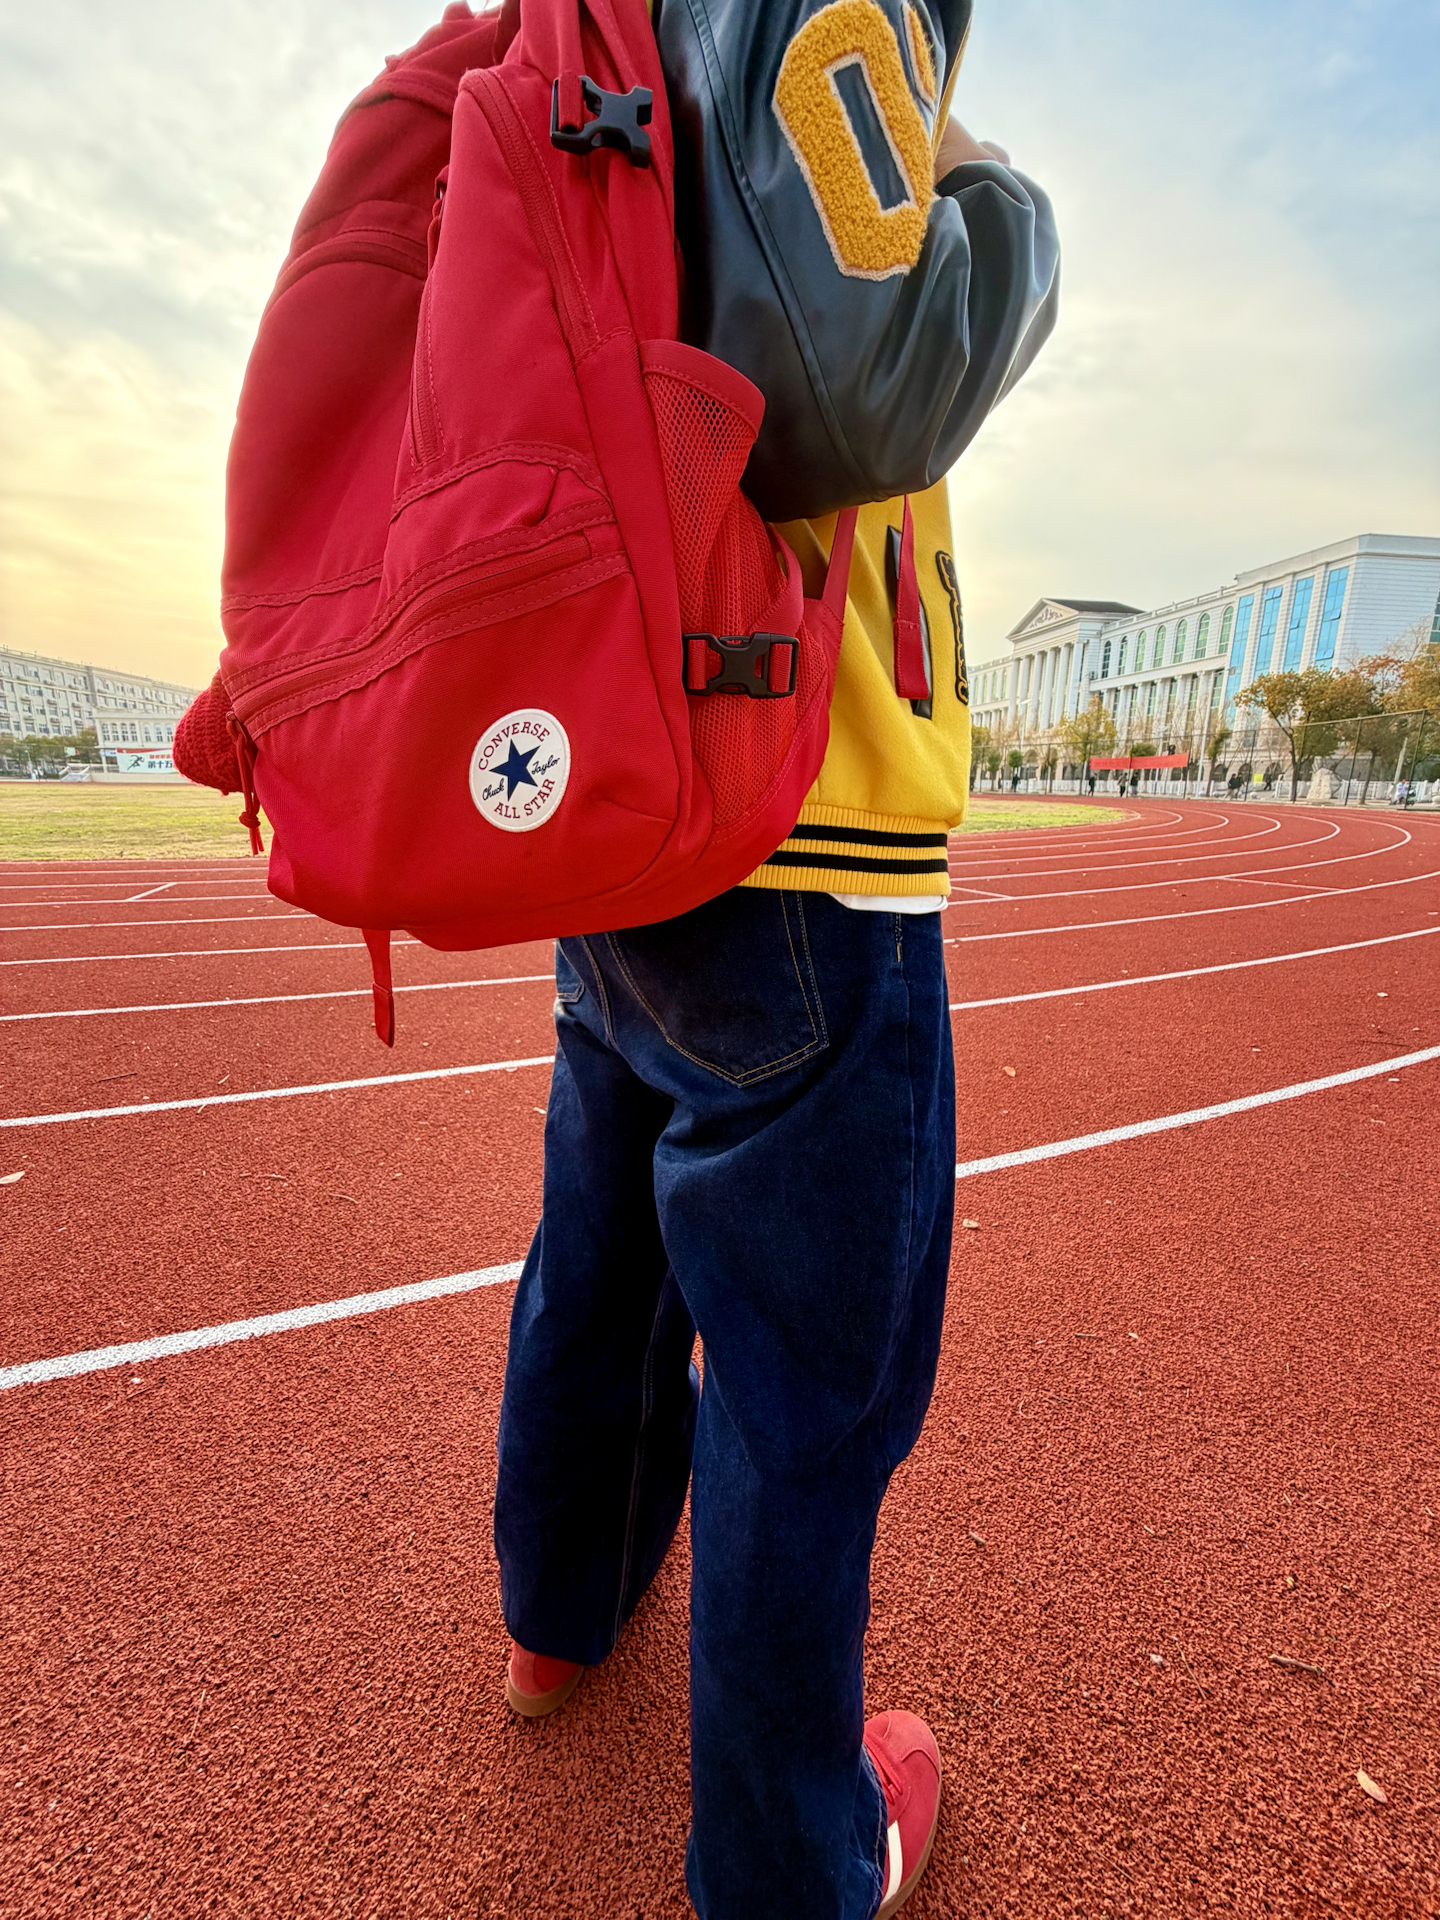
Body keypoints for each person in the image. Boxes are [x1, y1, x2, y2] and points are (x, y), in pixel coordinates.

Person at [492, 5, 1059, 1916]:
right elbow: (864, 383)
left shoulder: (589, 27)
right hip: (808, 808)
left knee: (598, 1258)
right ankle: (789, 1865)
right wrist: (997, 192)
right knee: (808, 1392)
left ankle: (558, 1616)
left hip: (626, 780)